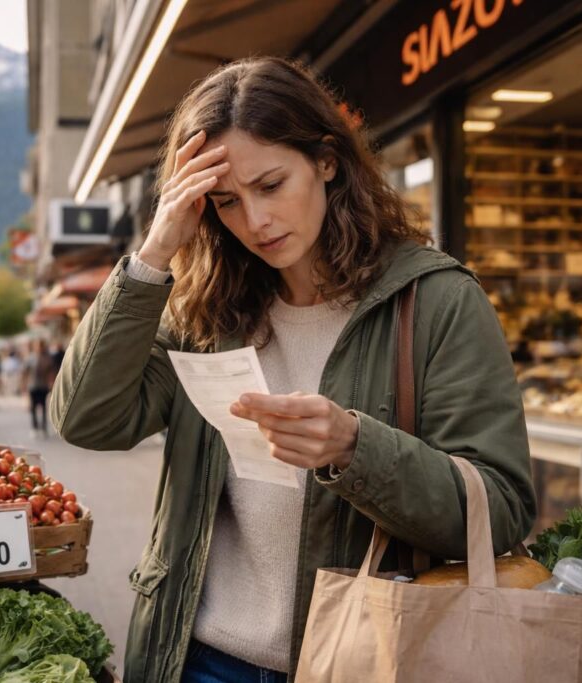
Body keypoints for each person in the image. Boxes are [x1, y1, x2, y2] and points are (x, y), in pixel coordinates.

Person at [49, 57, 536, 683]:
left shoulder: (436, 299)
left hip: (367, 657)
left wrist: (355, 448)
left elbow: (500, 506)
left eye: (271, 185)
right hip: (199, 655)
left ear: (327, 161)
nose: (255, 222)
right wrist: (154, 253)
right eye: (225, 201)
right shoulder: (204, 310)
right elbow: (89, 419)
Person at [26, 340, 54, 437]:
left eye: (41, 346)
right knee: (33, 407)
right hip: (33, 386)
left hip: (43, 386)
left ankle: (43, 427)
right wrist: (24, 385)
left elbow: (51, 372)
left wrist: (51, 383)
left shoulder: (48, 358)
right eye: (38, 346)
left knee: (43, 407)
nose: (40, 348)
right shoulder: (31, 357)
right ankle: (35, 427)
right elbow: (25, 371)